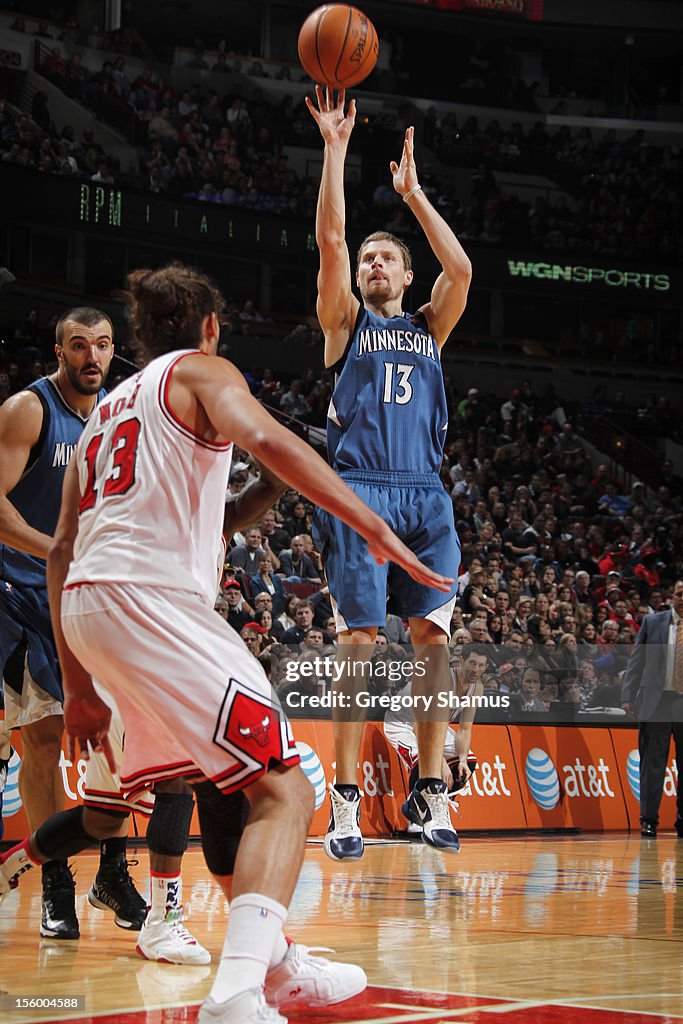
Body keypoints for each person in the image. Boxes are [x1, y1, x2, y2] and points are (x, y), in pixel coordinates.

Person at [31, 262, 450, 1023]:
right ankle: (235, 994)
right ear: (211, 327)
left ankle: (280, 961)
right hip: (151, 602)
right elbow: (262, 435)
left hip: (92, 610)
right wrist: (373, 524)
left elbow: (61, 549)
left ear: (138, 335)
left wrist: (82, 686)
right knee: (286, 786)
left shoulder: (106, 413)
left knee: (226, 786)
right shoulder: (203, 371)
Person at [306, 87, 472, 857]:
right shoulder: (344, 325)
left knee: (434, 645)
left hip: (425, 497)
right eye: (368, 258)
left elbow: (462, 268)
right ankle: (343, 801)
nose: (372, 263)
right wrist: (336, 150)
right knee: (360, 645)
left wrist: (414, 196)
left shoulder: (429, 328)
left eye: (386, 259)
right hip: (361, 491)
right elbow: (331, 242)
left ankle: (431, 792)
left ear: (405, 277)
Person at [0, 307, 147, 940]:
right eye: (80, 346)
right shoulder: (27, 411)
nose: (93, 357)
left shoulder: (118, 415)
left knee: (114, 735)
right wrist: (60, 550)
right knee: (43, 734)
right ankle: (55, 883)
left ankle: (113, 870)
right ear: (58, 351)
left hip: (88, 593)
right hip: (21, 592)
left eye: (105, 345)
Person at [621, 578, 683, 838]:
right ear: (672, 595)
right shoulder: (653, 622)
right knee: (652, 765)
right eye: (680, 592)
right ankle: (648, 819)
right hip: (656, 700)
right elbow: (637, 661)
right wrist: (627, 695)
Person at [384, 645, 487, 799]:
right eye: (472, 663)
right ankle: (415, 818)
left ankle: (441, 805)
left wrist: (463, 760)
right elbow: (419, 728)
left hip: (433, 727)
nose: (475, 669)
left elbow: (465, 729)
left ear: (486, 668)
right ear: (461, 660)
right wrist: (441, 763)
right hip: (403, 723)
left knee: (467, 763)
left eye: (480, 665)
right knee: (423, 761)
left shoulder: (477, 688)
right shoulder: (442, 681)